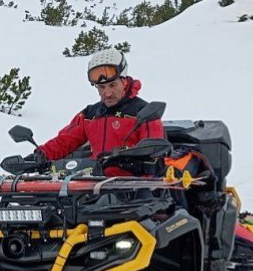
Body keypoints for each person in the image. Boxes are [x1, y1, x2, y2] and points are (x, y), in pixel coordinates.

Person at [32, 49, 165, 177]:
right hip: (94, 182)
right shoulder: (90, 115)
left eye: (112, 85)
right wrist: (42, 154)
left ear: (124, 82)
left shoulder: (145, 113)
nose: (107, 93)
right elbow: (64, 141)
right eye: (101, 87)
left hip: (134, 187)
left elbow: (153, 153)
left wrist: (127, 161)